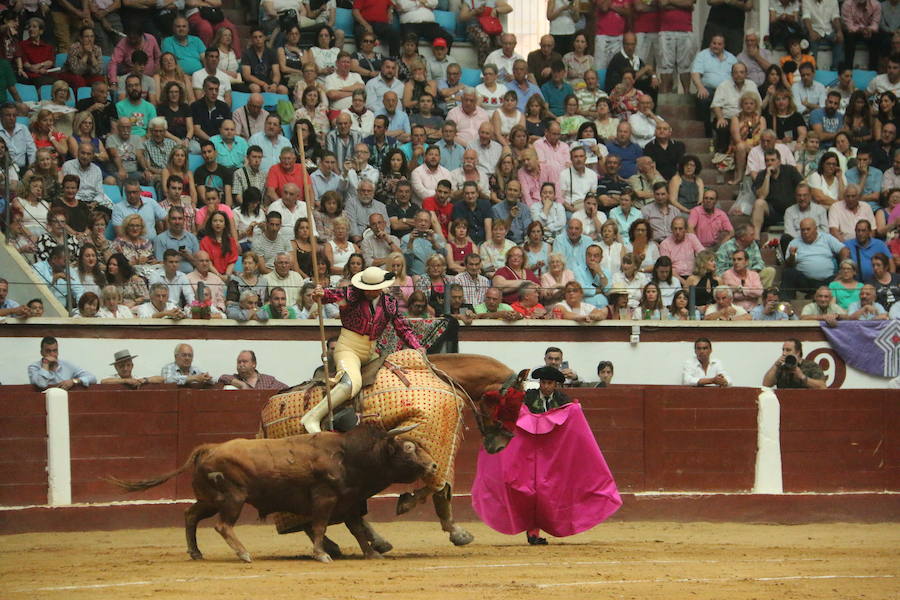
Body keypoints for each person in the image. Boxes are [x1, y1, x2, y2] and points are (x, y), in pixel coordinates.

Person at [304, 266, 424, 433]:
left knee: (391, 379)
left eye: (372, 289)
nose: (368, 292)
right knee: (351, 383)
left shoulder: (389, 303)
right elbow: (331, 295)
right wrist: (321, 293)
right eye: (366, 288)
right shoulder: (352, 293)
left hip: (371, 353)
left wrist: (417, 347)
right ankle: (312, 417)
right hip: (348, 349)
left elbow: (402, 328)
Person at [781, 217, 850, 299]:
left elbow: (844, 250)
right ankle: (786, 304)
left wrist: (843, 266)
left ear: (816, 229)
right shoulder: (794, 242)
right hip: (805, 281)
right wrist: (792, 256)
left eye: (808, 229)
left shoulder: (826, 238)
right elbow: (788, 265)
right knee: (788, 273)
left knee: (847, 271)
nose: (805, 232)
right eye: (802, 230)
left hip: (828, 280)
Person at [28, 337, 97, 390]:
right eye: (48, 351)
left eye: (55, 351)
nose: (52, 354)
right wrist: (46, 363)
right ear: (41, 352)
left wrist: (74, 381)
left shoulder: (67, 365)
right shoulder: (34, 367)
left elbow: (93, 378)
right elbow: (42, 384)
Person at [761, 339, 827, 388]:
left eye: (788, 350)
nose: (784, 353)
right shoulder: (782, 367)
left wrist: (802, 377)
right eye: (783, 350)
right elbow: (766, 384)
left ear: (798, 352)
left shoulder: (811, 366)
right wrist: (776, 365)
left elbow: (822, 387)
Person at [218, 350, 287, 390]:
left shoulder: (267, 380)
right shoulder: (235, 378)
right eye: (239, 362)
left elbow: (285, 389)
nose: (241, 364)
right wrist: (242, 384)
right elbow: (223, 377)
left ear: (254, 364)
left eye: (245, 361)